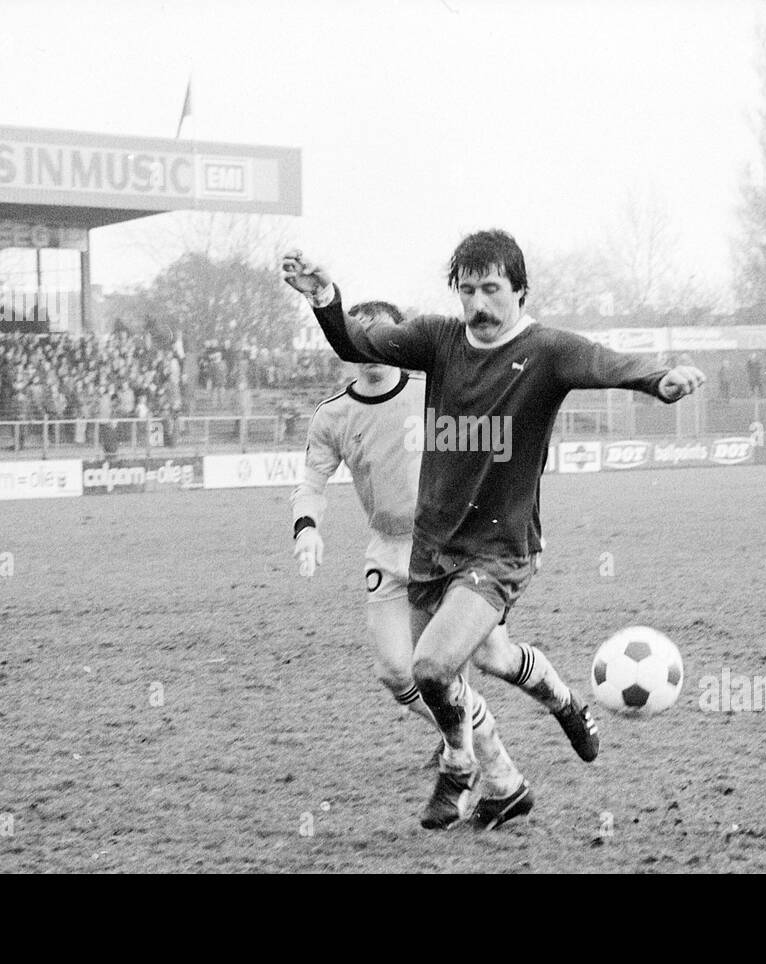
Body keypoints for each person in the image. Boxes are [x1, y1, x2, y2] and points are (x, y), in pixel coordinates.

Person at [282, 230, 704, 831]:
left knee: (429, 668)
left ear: (520, 291)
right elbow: (355, 339)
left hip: (501, 550)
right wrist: (323, 294)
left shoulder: (549, 350)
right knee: (489, 660)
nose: (478, 303)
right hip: (435, 545)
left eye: (491, 289)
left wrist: (660, 380)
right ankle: (548, 727)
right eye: (467, 290)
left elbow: (611, 364)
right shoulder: (437, 340)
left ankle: (458, 767)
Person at [290, 299, 598, 789]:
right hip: (389, 552)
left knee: (492, 658)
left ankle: (561, 702)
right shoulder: (333, 416)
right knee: (397, 672)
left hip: (454, 547)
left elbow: (498, 447)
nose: (370, 349)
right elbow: (311, 484)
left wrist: (514, 520)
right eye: (360, 337)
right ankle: (475, 751)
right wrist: (306, 528)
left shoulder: (432, 392)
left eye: (381, 336)